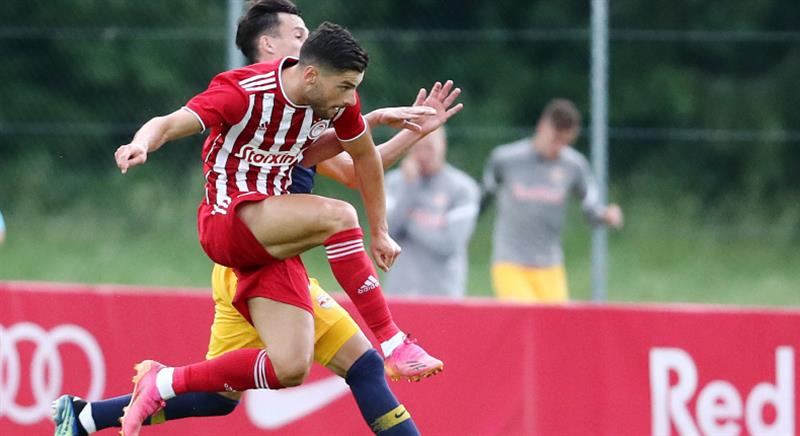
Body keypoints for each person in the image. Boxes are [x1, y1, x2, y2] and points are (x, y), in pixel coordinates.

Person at [52, 2, 462, 435]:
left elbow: (356, 167)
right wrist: (142, 143)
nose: (306, 41)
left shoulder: (315, 111)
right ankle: (394, 340)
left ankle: (88, 416)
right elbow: (170, 122)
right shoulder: (247, 96)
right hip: (238, 241)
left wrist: (394, 128)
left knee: (247, 385)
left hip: (275, 255)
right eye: (298, 35)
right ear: (271, 46)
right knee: (343, 243)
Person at [482, 98, 623, 303]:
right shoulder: (506, 160)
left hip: (550, 264)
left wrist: (605, 215)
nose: (558, 147)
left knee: (556, 321)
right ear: (542, 126)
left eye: (565, 142)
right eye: (555, 139)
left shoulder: (574, 165)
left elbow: (590, 209)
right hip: (511, 262)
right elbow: (483, 198)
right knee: (525, 316)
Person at [384, 127, 481, 298]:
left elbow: (449, 245)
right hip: (400, 293)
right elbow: (388, 233)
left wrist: (410, 221)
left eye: (429, 147)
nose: (423, 155)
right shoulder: (394, 183)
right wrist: (409, 187)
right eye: (417, 148)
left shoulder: (463, 188)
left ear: (443, 145)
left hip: (443, 294)